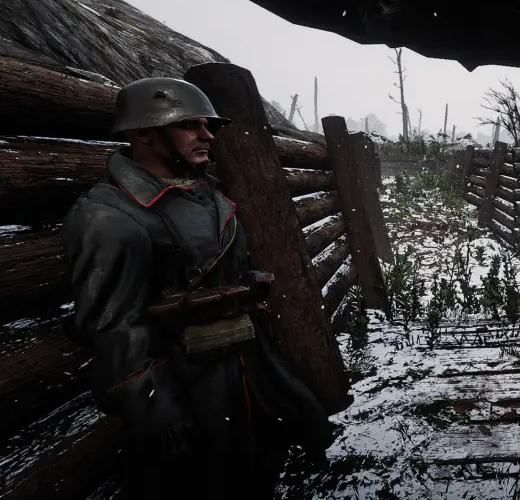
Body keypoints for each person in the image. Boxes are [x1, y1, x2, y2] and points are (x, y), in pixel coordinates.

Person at [61, 77, 334, 499]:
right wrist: (158, 410)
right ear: (142, 134)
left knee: (258, 469)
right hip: (188, 385)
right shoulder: (106, 217)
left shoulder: (209, 195)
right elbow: (114, 327)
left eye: (207, 125)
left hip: (244, 369)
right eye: (190, 125)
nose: (207, 135)